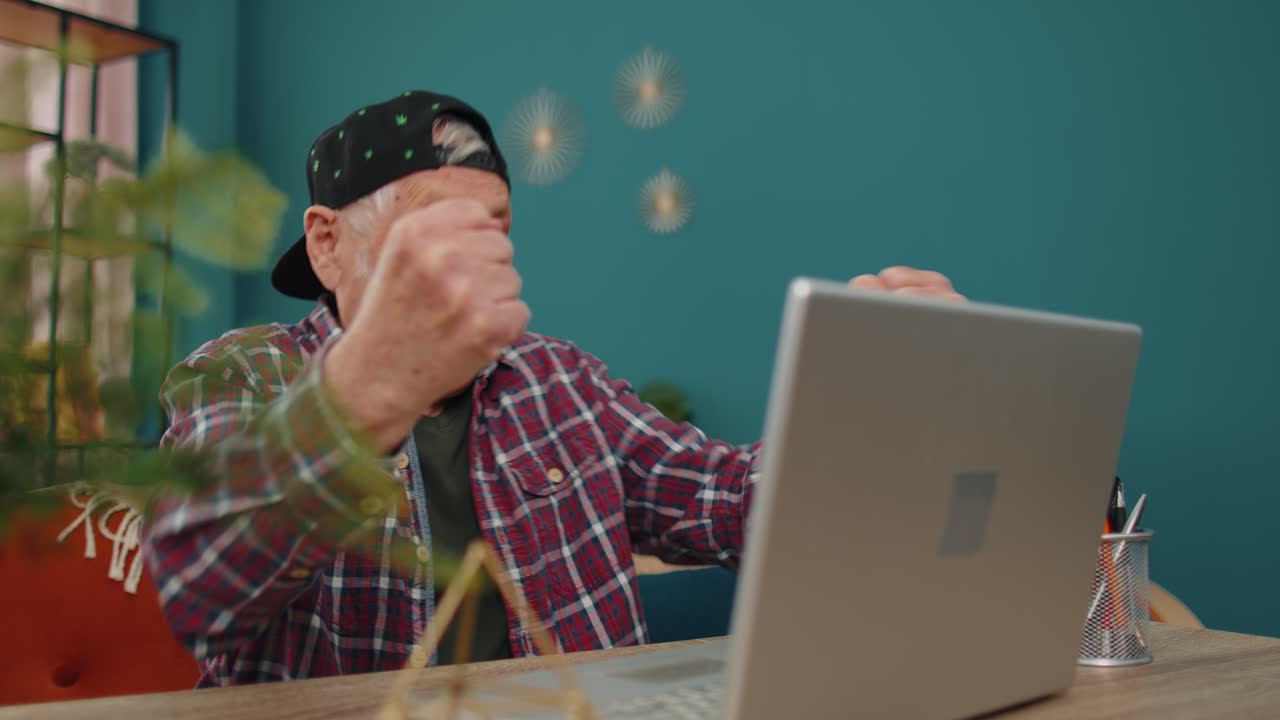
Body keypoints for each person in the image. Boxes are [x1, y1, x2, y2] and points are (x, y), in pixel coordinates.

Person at [143, 90, 964, 686]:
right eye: (438, 229)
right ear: (327, 246)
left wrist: (865, 402)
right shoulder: (241, 372)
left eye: (495, 228)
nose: (481, 258)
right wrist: (371, 383)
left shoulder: (559, 378)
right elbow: (199, 586)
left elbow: (733, 503)